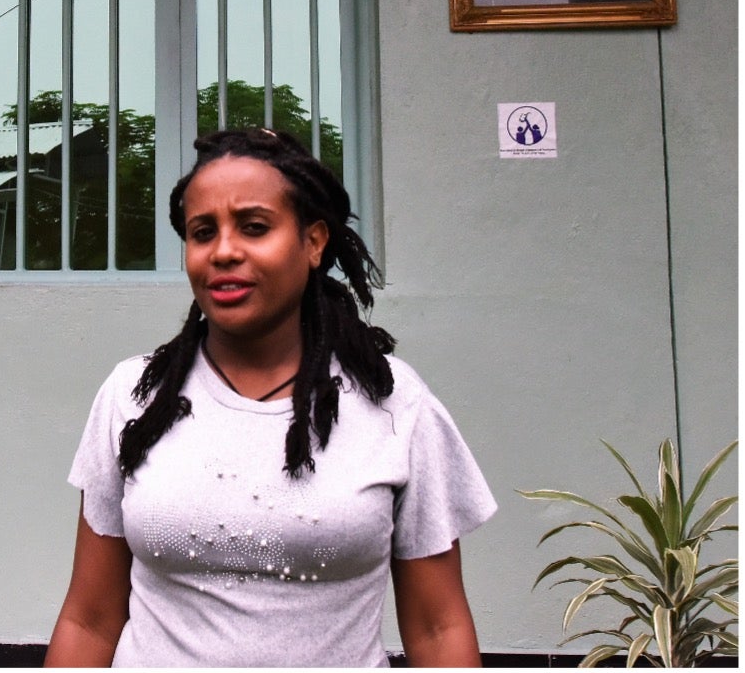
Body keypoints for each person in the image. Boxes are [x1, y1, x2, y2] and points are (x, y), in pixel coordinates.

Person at [44, 127, 496, 667]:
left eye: (254, 227)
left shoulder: (393, 402)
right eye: (202, 232)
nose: (224, 251)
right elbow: (89, 620)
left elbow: (437, 626)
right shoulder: (135, 397)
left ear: (313, 242)